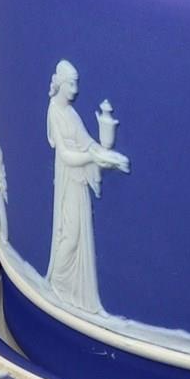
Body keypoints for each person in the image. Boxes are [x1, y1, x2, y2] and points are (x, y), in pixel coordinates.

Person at [44, 59, 129, 313]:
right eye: (71, 84)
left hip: (78, 181)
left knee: (78, 234)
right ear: (60, 83)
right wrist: (93, 158)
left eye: (76, 84)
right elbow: (66, 155)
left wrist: (109, 156)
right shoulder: (54, 112)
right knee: (70, 236)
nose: (75, 90)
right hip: (68, 181)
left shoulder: (71, 113)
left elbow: (88, 143)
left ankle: (77, 294)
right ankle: (59, 282)